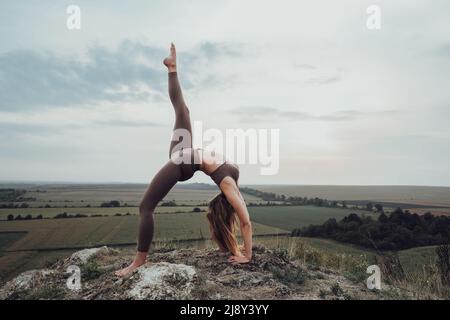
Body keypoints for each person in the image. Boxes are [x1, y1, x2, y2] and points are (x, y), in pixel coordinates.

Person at [115, 43, 253, 277]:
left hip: (185, 161)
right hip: (187, 151)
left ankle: (138, 261)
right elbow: (242, 220)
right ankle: (172, 68)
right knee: (183, 111)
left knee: (145, 207)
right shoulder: (233, 181)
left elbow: (246, 223)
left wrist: (248, 255)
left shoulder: (230, 185)